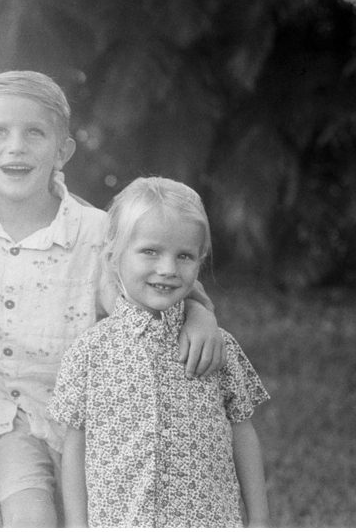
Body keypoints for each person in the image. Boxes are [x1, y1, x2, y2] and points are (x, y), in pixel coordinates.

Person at [0, 72, 226, 527]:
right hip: (12, 418)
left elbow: (166, 284)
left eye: (35, 133)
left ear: (62, 151)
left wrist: (201, 316)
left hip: (99, 419)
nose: (16, 147)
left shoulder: (97, 231)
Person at [48, 176, 270, 527]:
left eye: (184, 256)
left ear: (200, 261)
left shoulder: (219, 345)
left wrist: (259, 520)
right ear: (114, 255)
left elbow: (242, 432)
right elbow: (74, 446)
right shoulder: (89, 352)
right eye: (150, 251)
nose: (167, 269)